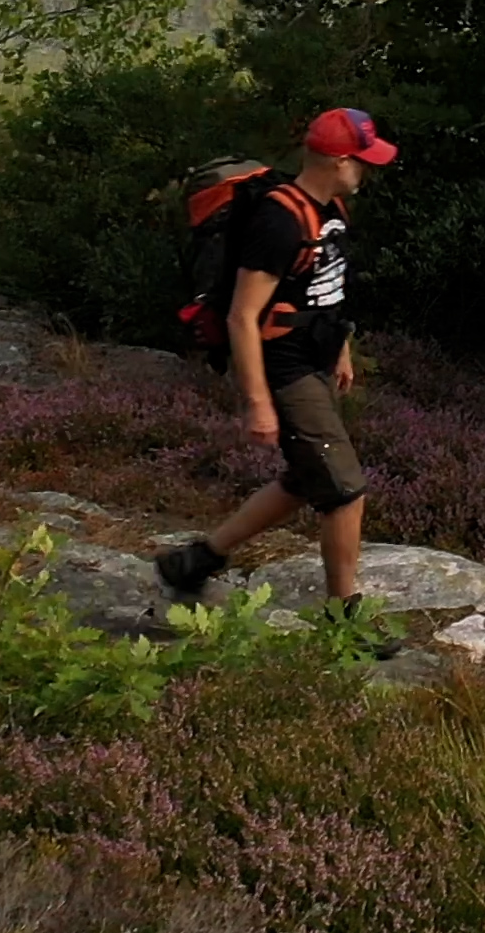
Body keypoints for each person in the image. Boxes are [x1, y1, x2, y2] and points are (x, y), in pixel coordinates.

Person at [155, 107, 398, 633]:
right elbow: (243, 317)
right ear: (337, 160)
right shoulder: (278, 220)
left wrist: (342, 346)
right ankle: (344, 619)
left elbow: (323, 284)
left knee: (302, 478)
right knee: (343, 488)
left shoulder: (329, 207)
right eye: (363, 161)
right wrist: (257, 401)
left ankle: (196, 561)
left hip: (313, 355)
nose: (368, 171)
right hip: (283, 367)